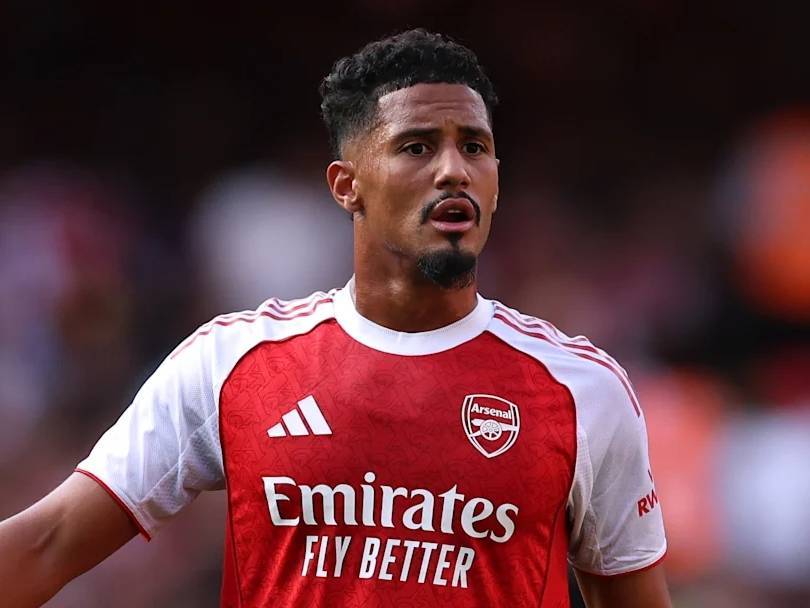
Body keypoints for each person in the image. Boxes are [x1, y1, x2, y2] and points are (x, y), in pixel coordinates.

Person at [0, 29, 670, 608]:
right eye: (417, 147)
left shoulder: (582, 389)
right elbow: (48, 541)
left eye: (474, 147)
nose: (453, 171)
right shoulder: (233, 364)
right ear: (347, 186)